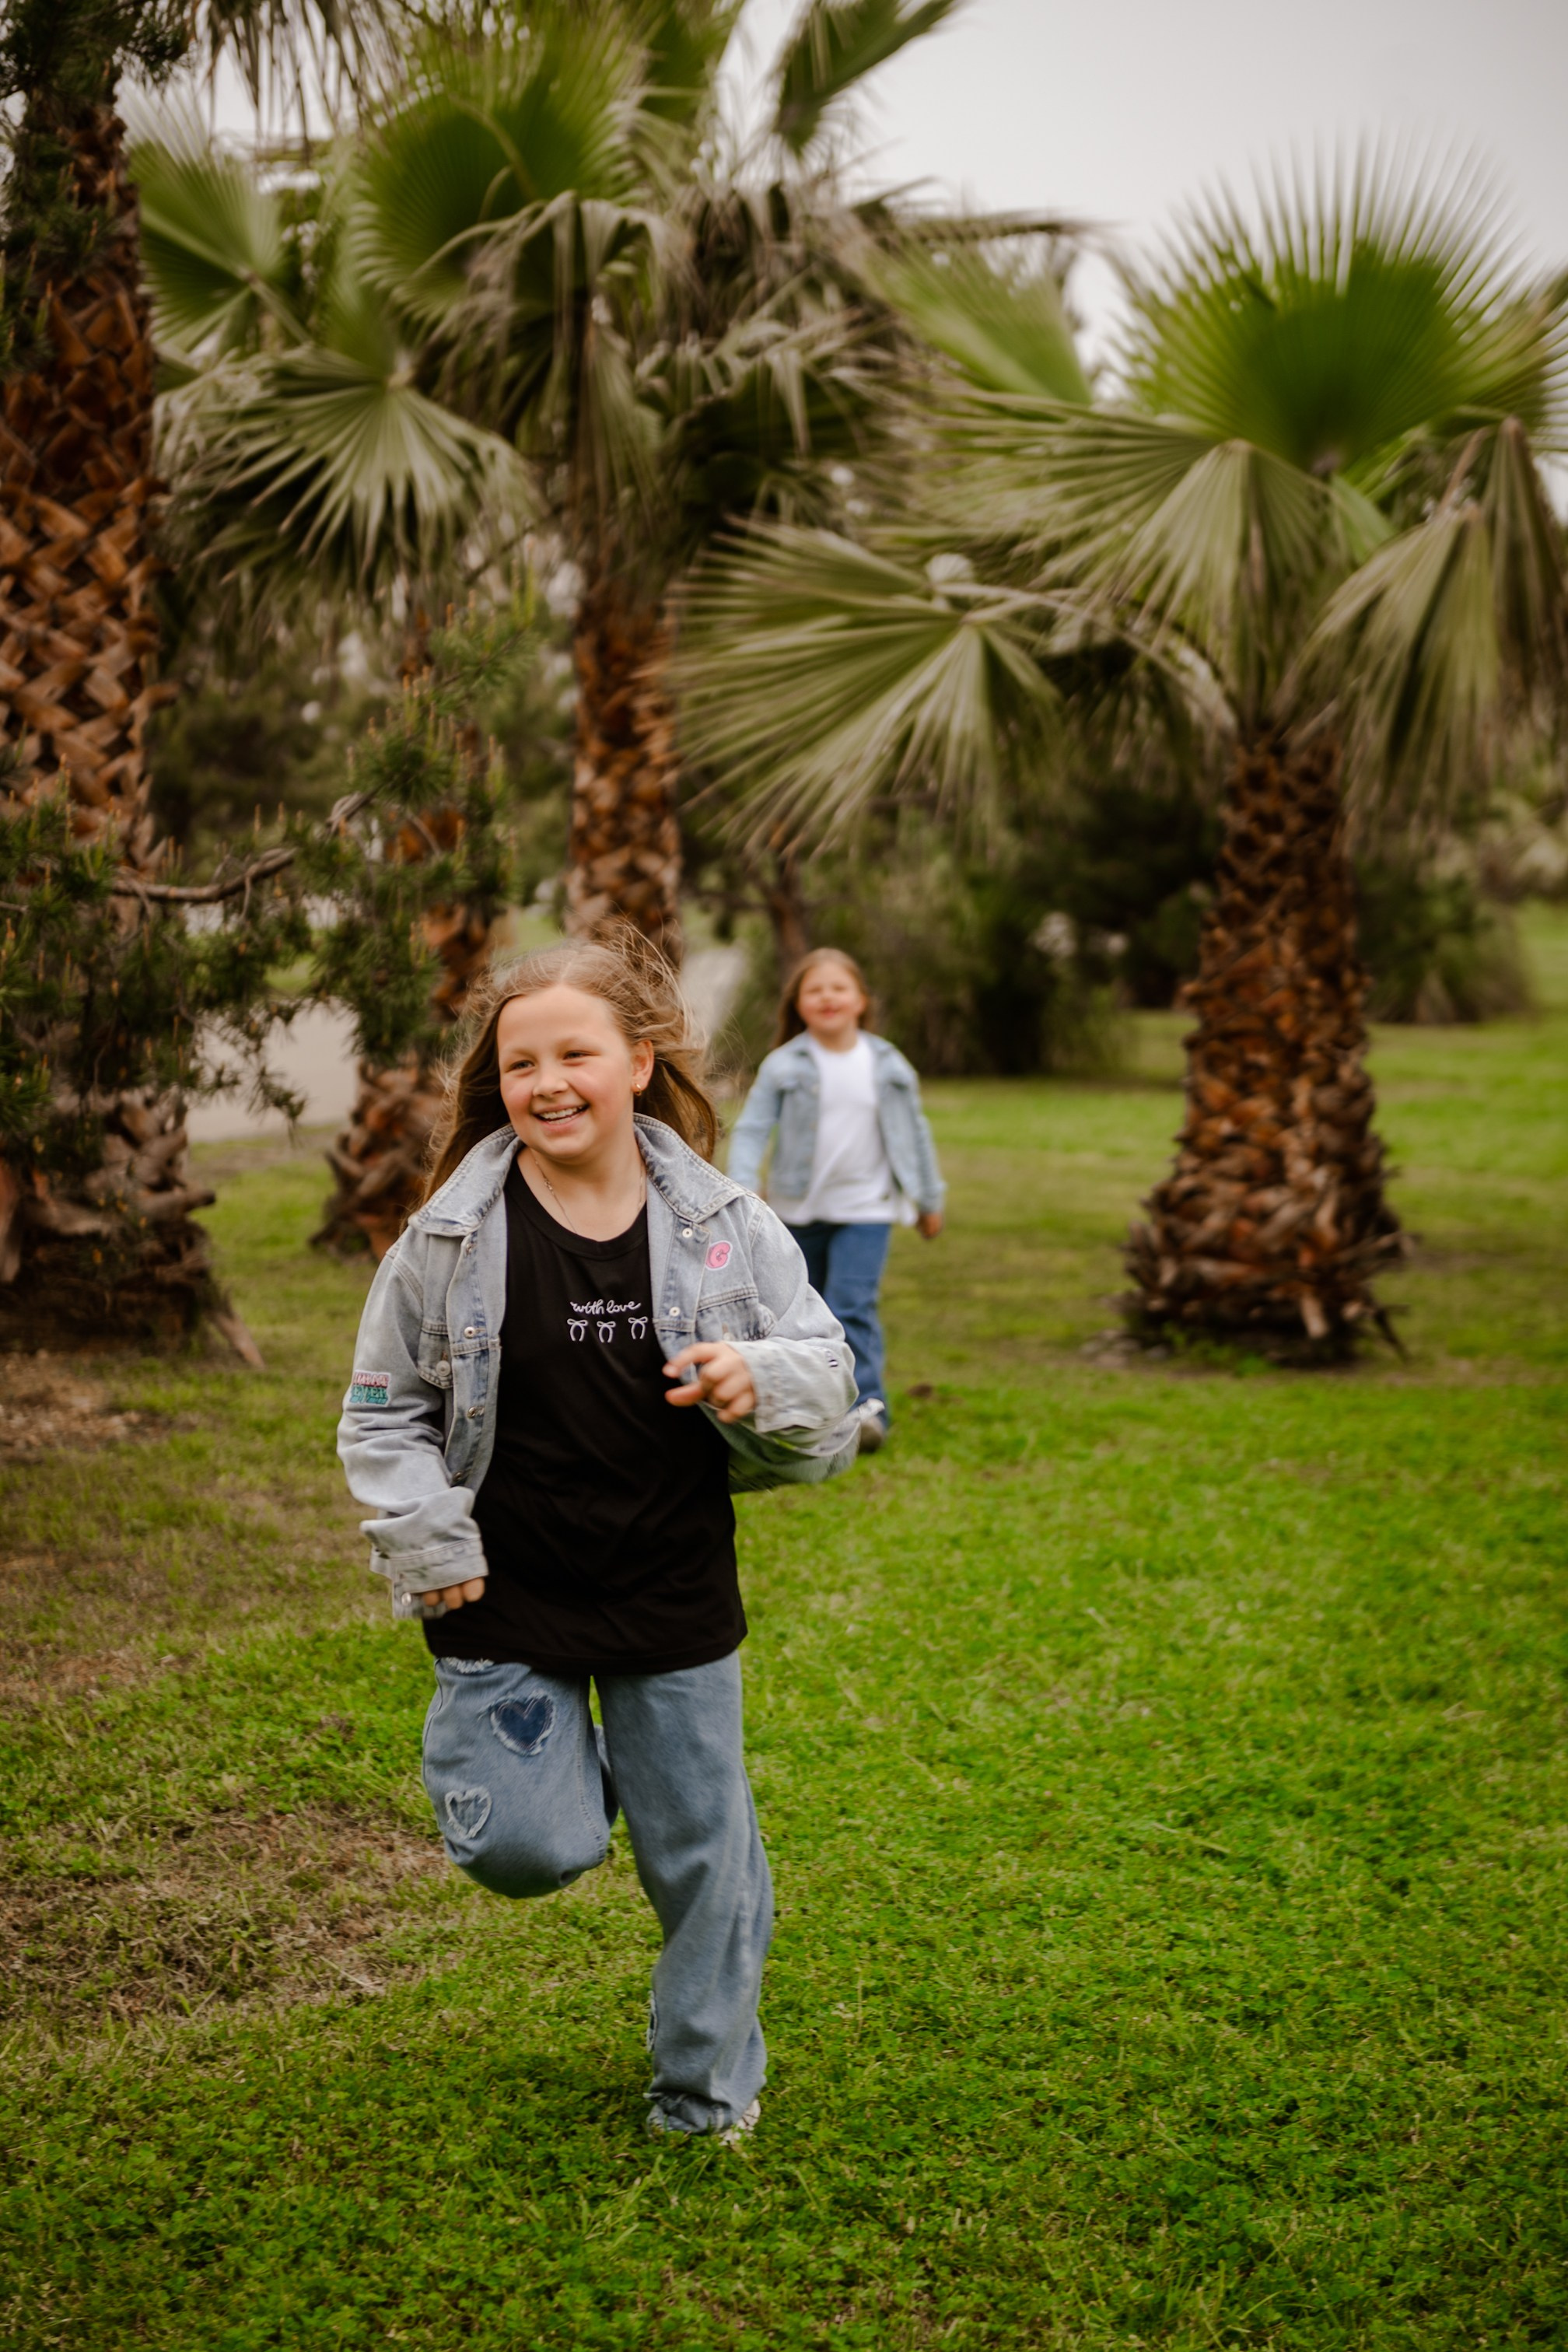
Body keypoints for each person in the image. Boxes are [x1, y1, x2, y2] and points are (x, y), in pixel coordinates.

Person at [337, 932, 858, 2147]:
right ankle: (604, 1775)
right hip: (499, 1593)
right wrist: (428, 1541)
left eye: (576, 1053)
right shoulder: (447, 1240)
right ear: (498, 1082)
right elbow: (382, 1410)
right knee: (529, 1845)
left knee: (704, 1862)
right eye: (522, 1064)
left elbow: (832, 1368)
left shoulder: (728, 1225)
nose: (548, 1082)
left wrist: (758, 1374)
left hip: (670, 1586)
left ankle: (706, 2094)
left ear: (637, 1061)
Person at [727, 947, 944, 1454]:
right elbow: (754, 1128)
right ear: (798, 1004)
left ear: (861, 1001)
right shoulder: (785, 1064)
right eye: (815, 989)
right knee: (801, 1313)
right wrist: (743, 1185)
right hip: (796, 1209)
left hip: (868, 1208)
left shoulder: (888, 1063)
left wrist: (929, 1199)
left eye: (839, 988)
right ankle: (807, 1407)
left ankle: (867, 1408)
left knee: (852, 1304)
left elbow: (916, 1132)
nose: (828, 997)